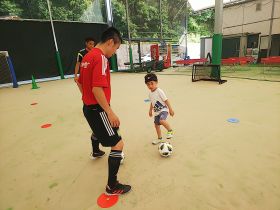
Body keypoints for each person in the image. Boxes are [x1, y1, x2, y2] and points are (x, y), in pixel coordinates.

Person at [77, 27, 131, 195]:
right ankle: (112, 186)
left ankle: (95, 150)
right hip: (98, 109)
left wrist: (87, 98)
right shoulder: (100, 58)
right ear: (110, 42)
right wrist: (109, 111)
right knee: (118, 144)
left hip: (88, 107)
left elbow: (78, 81)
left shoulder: (87, 56)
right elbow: (97, 89)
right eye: (116, 48)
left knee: (99, 131)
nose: (114, 52)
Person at [144, 73, 174, 145]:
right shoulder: (150, 94)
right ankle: (159, 138)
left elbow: (166, 100)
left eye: (152, 83)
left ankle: (170, 131)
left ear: (156, 82)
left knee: (162, 120)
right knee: (156, 125)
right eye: (148, 84)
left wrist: (170, 109)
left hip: (163, 110)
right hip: (157, 112)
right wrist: (150, 110)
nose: (150, 86)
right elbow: (152, 102)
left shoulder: (159, 91)